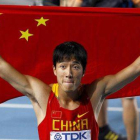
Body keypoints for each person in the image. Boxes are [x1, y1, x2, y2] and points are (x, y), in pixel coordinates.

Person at [0, 41, 140, 139]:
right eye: (63, 66)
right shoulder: (42, 95)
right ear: (54, 70)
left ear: (84, 71)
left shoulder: (94, 94)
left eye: (75, 66)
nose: (69, 73)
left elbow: (135, 68)